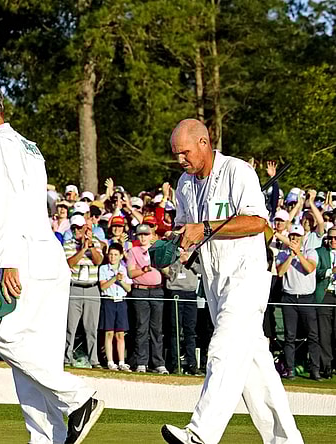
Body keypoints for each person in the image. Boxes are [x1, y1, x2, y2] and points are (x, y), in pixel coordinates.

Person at [0, 80, 102, 444]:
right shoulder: (28, 145)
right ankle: (48, 439)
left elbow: (6, 204)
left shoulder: (0, 145)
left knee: (7, 340)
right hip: (47, 255)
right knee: (37, 361)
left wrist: (6, 261)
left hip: (25, 257)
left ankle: (79, 397)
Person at [161, 118, 301, 444]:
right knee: (256, 373)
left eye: (183, 152)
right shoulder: (184, 184)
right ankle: (287, 441)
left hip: (245, 277)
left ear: (204, 143)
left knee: (222, 351)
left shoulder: (238, 171)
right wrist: (174, 244)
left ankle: (200, 435)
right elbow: (188, 231)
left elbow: (256, 222)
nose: (180, 160)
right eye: (175, 154)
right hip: (213, 282)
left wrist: (205, 228)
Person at [275, 224, 321, 380]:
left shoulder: (311, 252)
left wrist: (299, 254)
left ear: (302, 238)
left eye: (297, 237)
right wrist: (291, 256)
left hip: (307, 298)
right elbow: (280, 272)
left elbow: (309, 268)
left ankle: (315, 370)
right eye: (292, 236)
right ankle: (289, 369)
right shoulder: (282, 254)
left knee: (313, 335)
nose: (294, 239)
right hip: (289, 297)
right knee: (290, 336)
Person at [126, 224, 167, 374]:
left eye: (145, 234)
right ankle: (141, 361)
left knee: (157, 329)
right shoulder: (133, 251)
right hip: (140, 291)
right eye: (140, 235)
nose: (143, 237)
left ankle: (158, 362)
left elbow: (166, 270)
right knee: (141, 328)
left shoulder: (157, 250)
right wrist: (143, 270)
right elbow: (130, 274)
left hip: (157, 291)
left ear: (151, 235)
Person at [63, 214, 103, 368]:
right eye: (75, 228)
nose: (77, 231)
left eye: (80, 228)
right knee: (70, 327)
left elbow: (98, 261)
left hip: (92, 288)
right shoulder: (68, 244)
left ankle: (94, 360)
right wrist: (83, 249)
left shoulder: (96, 244)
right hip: (75, 288)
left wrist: (90, 246)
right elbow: (69, 263)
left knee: (91, 328)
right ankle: (67, 358)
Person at [98, 243, 132, 371]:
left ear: (121, 256)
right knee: (109, 333)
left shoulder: (124, 268)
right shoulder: (103, 269)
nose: (112, 257)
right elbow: (103, 286)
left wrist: (121, 280)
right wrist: (114, 278)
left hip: (121, 301)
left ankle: (122, 361)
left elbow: (128, 288)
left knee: (120, 334)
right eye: (111, 254)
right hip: (109, 301)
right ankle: (110, 361)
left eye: (116, 255)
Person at [316, 228, 336, 379]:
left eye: (335, 238)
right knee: (324, 333)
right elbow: (315, 271)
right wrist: (330, 271)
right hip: (325, 294)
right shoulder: (320, 252)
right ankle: (326, 365)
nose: (332, 240)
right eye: (330, 238)